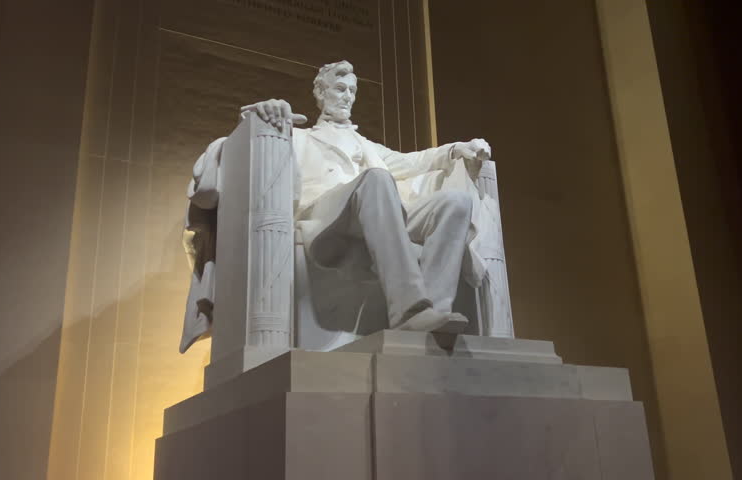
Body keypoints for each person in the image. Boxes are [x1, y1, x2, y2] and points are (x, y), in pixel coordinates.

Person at [181, 60, 510, 352]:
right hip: (323, 218)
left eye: (352, 90)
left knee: (454, 202)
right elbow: (242, 134)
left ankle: (432, 312)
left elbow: (413, 161)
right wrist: (265, 109)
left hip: (372, 212)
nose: (348, 96)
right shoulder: (298, 136)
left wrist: (456, 150)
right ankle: (410, 308)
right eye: (339, 88)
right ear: (321, 94)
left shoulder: (365, 145)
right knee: (377, 179)